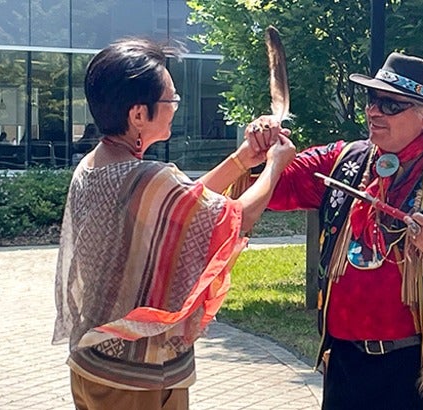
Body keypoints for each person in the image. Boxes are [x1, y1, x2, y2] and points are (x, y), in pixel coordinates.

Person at [247, 53, 423, 409]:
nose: (373, 112)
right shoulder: (345, 161)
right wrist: (256, 154)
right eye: (372, 100)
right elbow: (271, 188)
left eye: (391, 104)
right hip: (346, 364)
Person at [51, 38, 295, 410]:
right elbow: (235, 218)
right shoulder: (146, 175)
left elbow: (181, 206)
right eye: (170, 101)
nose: (175, 109)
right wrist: (276, 164)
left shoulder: (95, 165)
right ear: (137, 115)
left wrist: (243, 160)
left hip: (93, 362)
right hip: (136, 375)